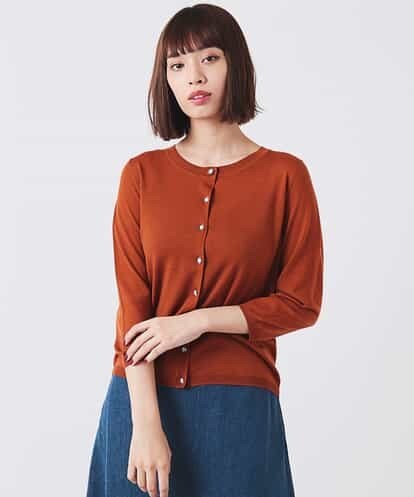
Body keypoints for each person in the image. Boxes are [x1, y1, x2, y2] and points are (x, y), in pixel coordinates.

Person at [86, 4, 324, 497]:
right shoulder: (141, 175)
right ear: (166, 79)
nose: (194, 76)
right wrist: (145, 425)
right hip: (140, 401)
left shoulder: (285, 176)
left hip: (238, 406)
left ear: (235, 64)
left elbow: (301, 303)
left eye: (209, 58)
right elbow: (132, 309)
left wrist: (197, 321)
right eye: (177, 65)